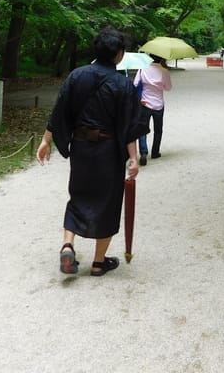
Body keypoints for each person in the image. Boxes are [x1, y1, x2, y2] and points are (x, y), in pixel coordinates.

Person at [36, 26, 145, 276]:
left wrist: (46, 140)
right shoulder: (123, 85)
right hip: (108, 151)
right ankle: (98, 262)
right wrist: (133, 158)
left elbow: (60, 110)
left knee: (78, 196)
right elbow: (129, 127)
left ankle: (68, 246)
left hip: (82, 148)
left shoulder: (77, 75)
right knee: (108, 202)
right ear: (119, 54)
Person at [133, 54, 172, 164]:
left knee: (142, 129)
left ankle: (143, 152)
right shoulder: (164, 71)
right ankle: (155, 152)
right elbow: (168, 88)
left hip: (144, 103)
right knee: (158, 130)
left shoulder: (143, 69)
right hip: (158, 104)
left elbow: (135, 83)